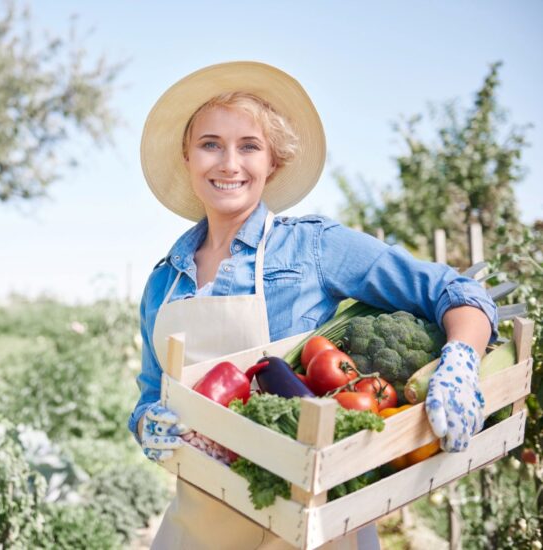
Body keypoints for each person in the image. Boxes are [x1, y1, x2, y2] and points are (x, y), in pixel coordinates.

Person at [128, 61, 497, 549]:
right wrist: (147, 424)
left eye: (249, 146)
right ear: (188, 156)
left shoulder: (313, 249)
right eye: (210, 144)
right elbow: (152, 394)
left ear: (273, 162)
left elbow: (458, 292)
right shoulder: (163, 282)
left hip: (314, 526)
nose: (228, 163)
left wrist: (461, 361)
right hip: (197, 529)